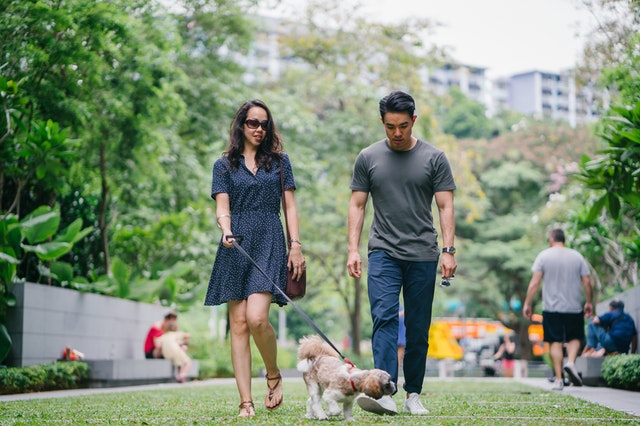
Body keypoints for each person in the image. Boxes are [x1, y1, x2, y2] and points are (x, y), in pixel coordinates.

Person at [347, 90, 457, 416]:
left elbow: (445, 205)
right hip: (382, 250)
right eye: (390, 126)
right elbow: (357, 205)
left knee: (419, 328)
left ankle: (413, 394)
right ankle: (384, 392)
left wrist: (449, 250)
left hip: (423, 253)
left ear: (414, 121)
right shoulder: (368, 157)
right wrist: (353, 249)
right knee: (384, 319)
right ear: (382, 122)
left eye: (404, 126)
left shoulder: (434, 158)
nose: (397, 133)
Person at [204, 99, 305, 418]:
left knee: (257, 317)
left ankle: (273, 374)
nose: (259, 129)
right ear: (241, 125)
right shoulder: (223, 165)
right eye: (253, 123)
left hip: (269, 237)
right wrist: (225, 228)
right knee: (237, 323)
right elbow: (223, 205)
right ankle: (245, 401)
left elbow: (289, 205)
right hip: (236, 242)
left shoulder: (279, 161)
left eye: (264, 124)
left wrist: (296, 244)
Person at [523, 228, 593, 391]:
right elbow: (587, 282)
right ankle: (570, 363)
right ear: (564, 240)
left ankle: (559, 379)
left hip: (551, 308)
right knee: (574, 337)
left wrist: (528, 303)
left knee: (554, 341)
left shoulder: (544, 256)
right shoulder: (577, 256)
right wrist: (589, 302)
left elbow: (534, 283)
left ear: (551, 239)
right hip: (574, 306)